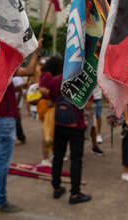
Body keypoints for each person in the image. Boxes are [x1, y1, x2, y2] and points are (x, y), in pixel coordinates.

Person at [0, 41, 41, 213]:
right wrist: (35, 53)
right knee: (1, 162)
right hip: (3, 120)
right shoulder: (3, 67)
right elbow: (29, 71)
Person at [40, 56, 91, 205]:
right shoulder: (82, 80)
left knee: (57, 157)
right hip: (77, 125)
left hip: (59, 124)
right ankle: (75, 194)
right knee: (76, 160)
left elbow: (49, 100)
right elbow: (87, 105)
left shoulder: (56, 80)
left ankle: (56, 188)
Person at [12, 76, 26, 144]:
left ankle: (21, 137)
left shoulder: (17, 78)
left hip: (16, 101)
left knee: (16, 120)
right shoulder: (16, 78)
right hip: (15, 100)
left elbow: (20, 91)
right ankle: (21, 137)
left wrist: (17, 103)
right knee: (16, 120)